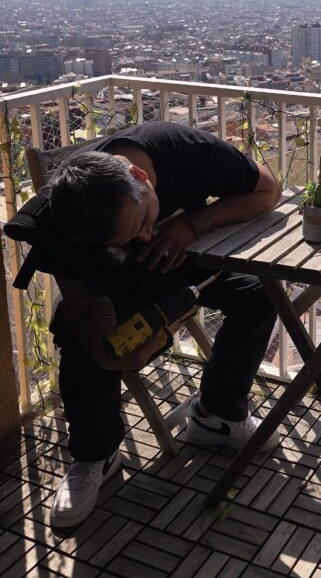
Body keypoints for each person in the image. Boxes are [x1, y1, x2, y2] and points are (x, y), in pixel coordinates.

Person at [44, 121, 282, 532]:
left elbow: (269, 191)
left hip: (182, 254)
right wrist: (108, 351)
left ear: (139, 177)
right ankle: (95, 454)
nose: (143, 235)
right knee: (77, 331)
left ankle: (217, 415)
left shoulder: (186, 151)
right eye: (128, 236)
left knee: (259, 294)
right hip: (114, 280)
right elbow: (81, 299)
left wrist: (192, 224)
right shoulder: (62, 215)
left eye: (143, 220)